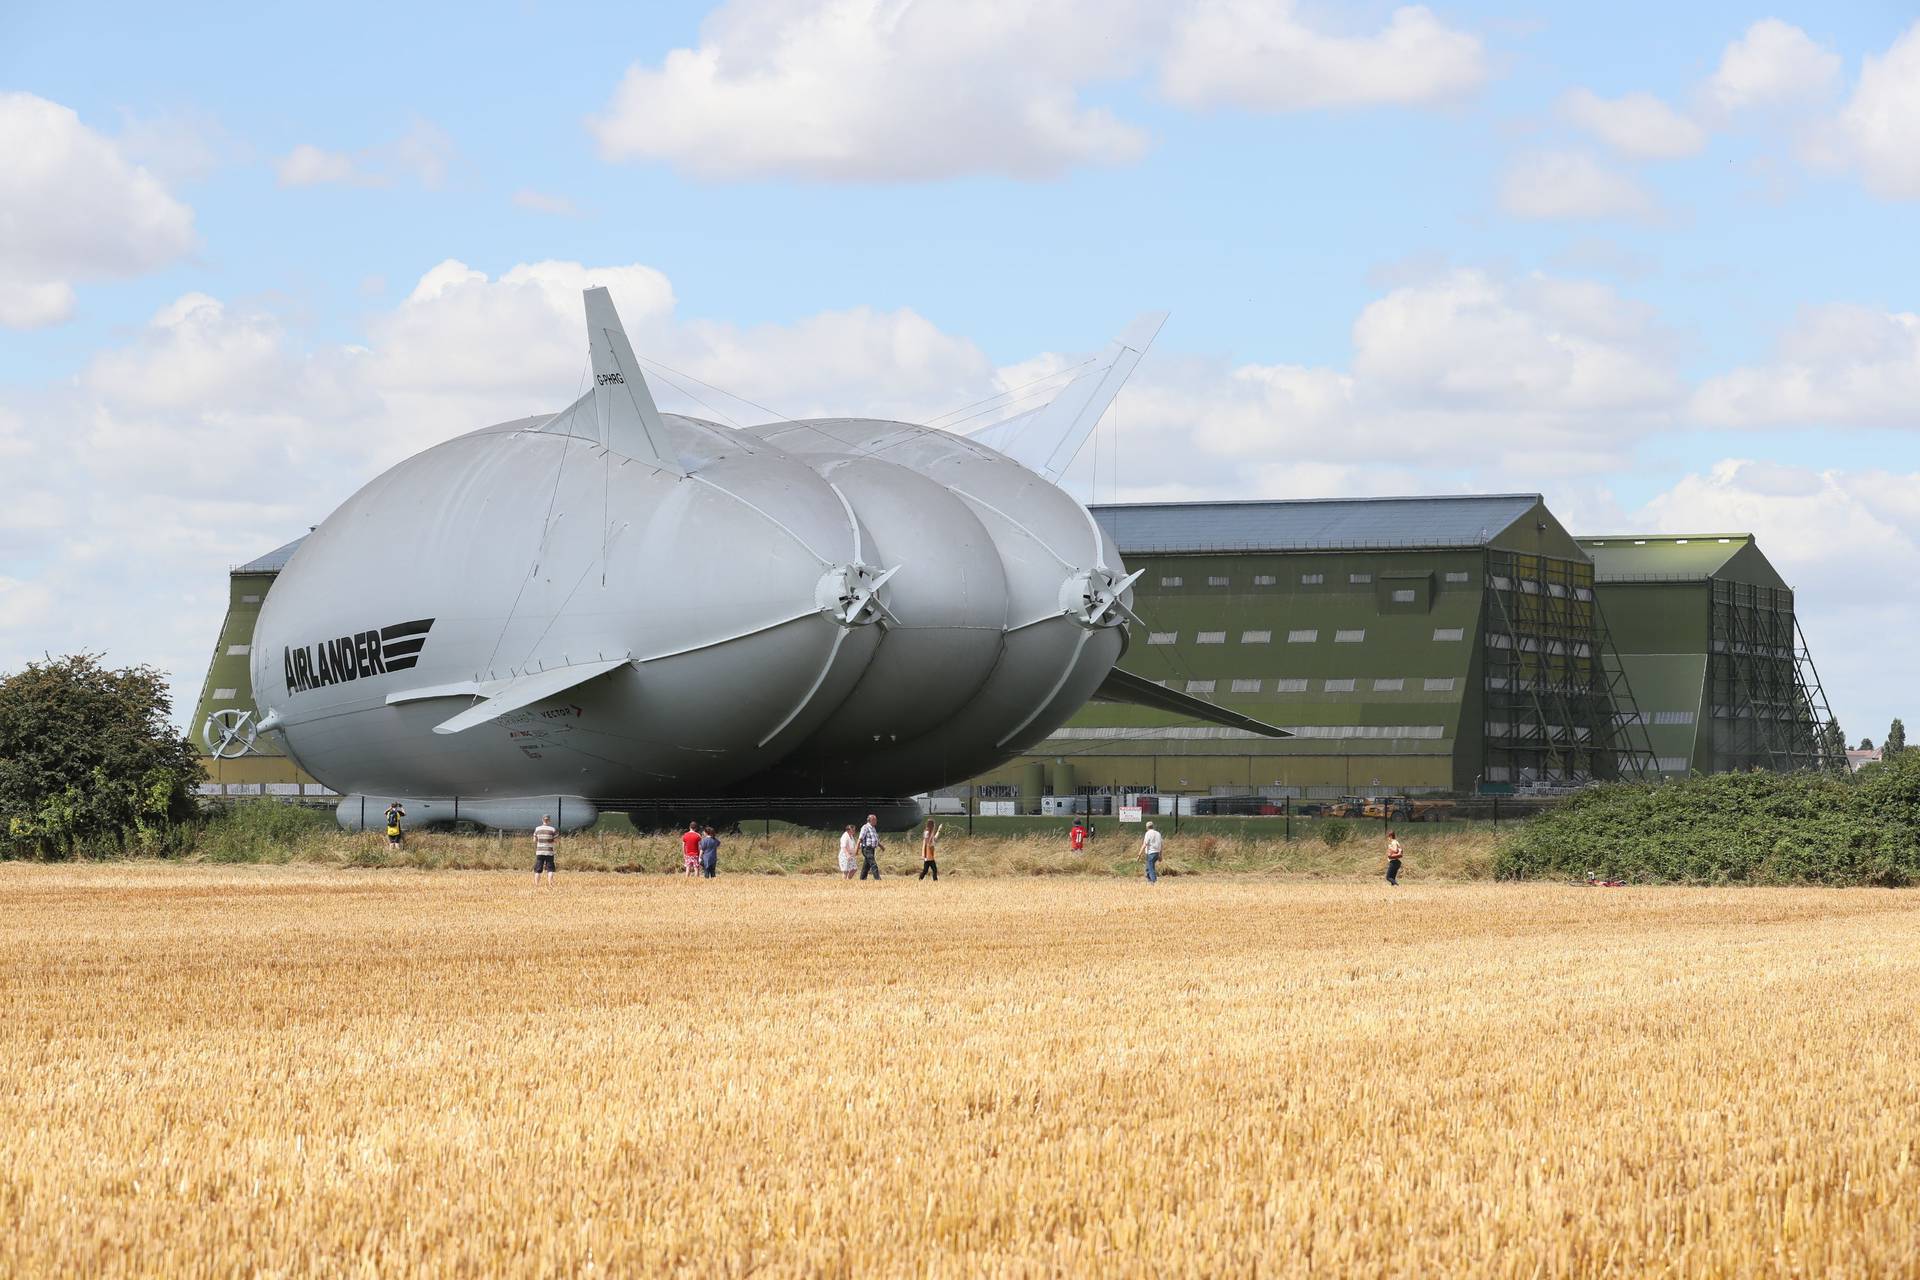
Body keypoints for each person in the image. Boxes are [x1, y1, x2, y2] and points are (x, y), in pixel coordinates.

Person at [533, 814, 557, 885]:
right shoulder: (552, 829)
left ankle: (536, 884)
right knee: (550, 869)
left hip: (539, 852)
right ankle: (550, 884)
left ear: (542, 820)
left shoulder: (537, 829)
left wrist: (540, 842)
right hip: (549, 852)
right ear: (549, 820)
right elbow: (556, 841)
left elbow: (534, 840)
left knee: (538, 869)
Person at [858, 814, 882, 880]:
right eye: (875, 819)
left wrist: (881, 846)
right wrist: (856, 849)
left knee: (867, 865)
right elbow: (860, 839)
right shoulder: (865, 827)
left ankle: (862, 879)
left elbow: (875, 839)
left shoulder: (873, 828)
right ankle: (878, 879)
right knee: (873, 863)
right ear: (870, 820)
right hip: (866, 848)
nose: (876, 821)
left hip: (872, 849)